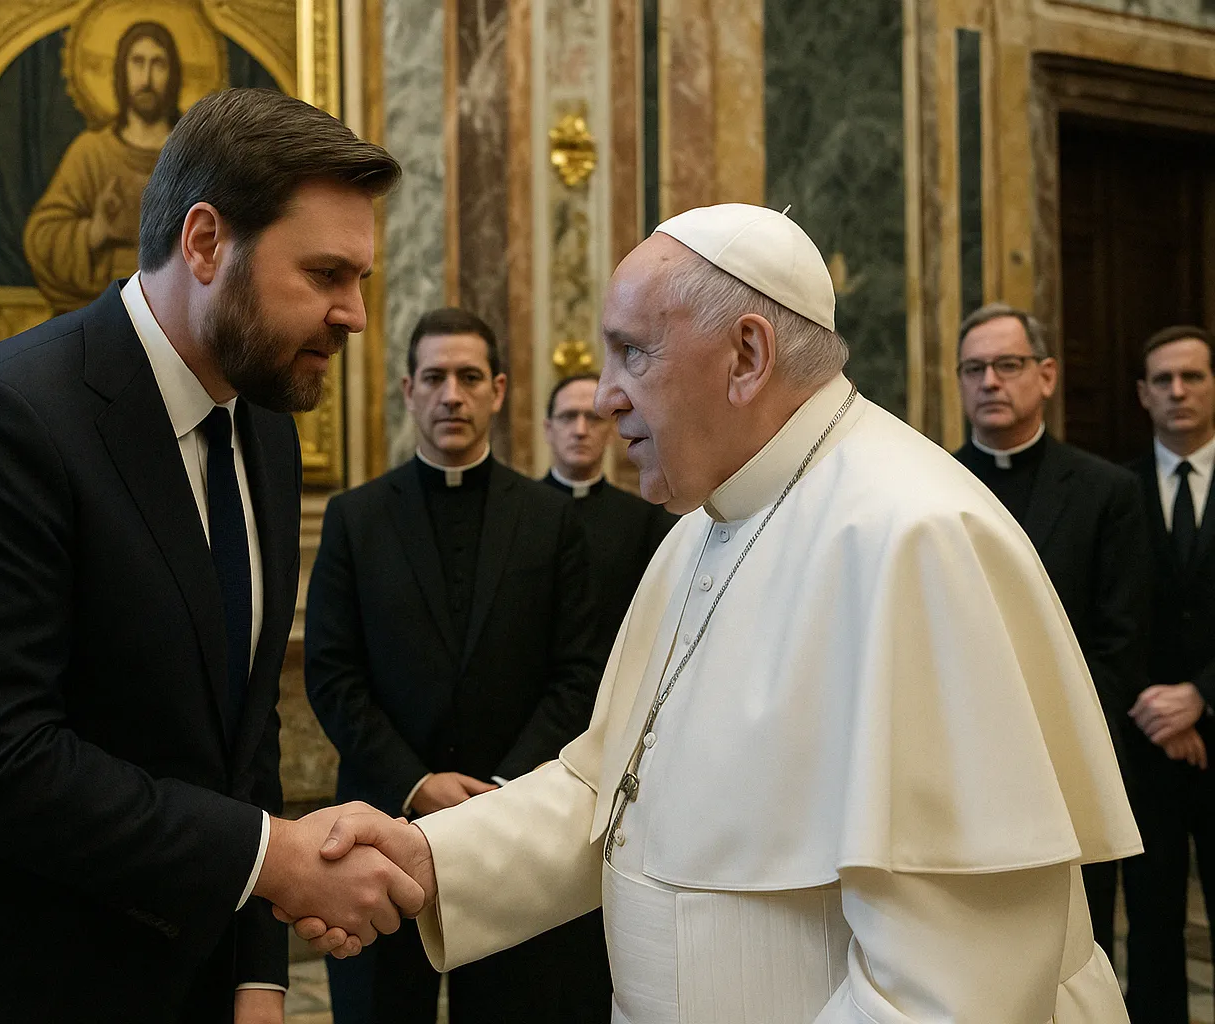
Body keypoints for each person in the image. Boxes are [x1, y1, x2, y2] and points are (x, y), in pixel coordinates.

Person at [290, 204, 1141, 1024]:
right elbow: (610, 787)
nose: (605, 396)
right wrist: (433, 859)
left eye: (631, 354)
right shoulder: (702, 527)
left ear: (746, 355)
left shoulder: (913, 538)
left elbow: (948, 988)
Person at [0, 89, 420, 1024]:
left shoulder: (263, 432)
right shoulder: (4, 419)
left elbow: (238, 732)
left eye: (360, 278)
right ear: (204, 244)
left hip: (157, 964)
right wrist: (273, 860)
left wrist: (256, 973)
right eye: (325, 275)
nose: (355, 314)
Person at [304, 307, 609, 1024]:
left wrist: (499, 792)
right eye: (435, 377)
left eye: (470, 377)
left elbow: (578, 675)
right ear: (407, 390)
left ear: (499, 391)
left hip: (513, 832)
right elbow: (333, 672)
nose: (452, 395)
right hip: (381, 823)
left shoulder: (551, 519)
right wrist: (417, 782)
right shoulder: (356, 518)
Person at [951, 302, 1150, 953]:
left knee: (1075, 953)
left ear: (1046, 375)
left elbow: (1121, 638)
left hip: (1070, 763)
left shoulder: (1106, 490)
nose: (989, 382)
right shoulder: (928, 483)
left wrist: (1049, 731)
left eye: (1007, 365)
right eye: (974, 368)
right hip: (960, 764)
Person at [1122, 324, 1215, 1024]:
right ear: (1143, 396)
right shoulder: (1112, 490)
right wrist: (1159, 710)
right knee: (1151, 929)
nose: (1178, 392)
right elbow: (1107, 613)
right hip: (1145, 744)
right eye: (1163, 380)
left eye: (1192, 377)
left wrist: (1202, 698)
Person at [24, 21, 182, 312]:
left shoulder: (192, 153)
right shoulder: (91, 153)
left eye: (158, 64)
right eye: (137, 62)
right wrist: (94, 231)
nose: (146, 76)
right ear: (122, 70)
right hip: (101, 318)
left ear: (173, 74)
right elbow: (41, 238)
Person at [543, 372, 676, 649]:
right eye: (568, 417)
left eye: (592, 418)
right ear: (548, 429)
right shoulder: (522, 512)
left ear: (610, 430)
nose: (580, 430)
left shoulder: (645, 521)